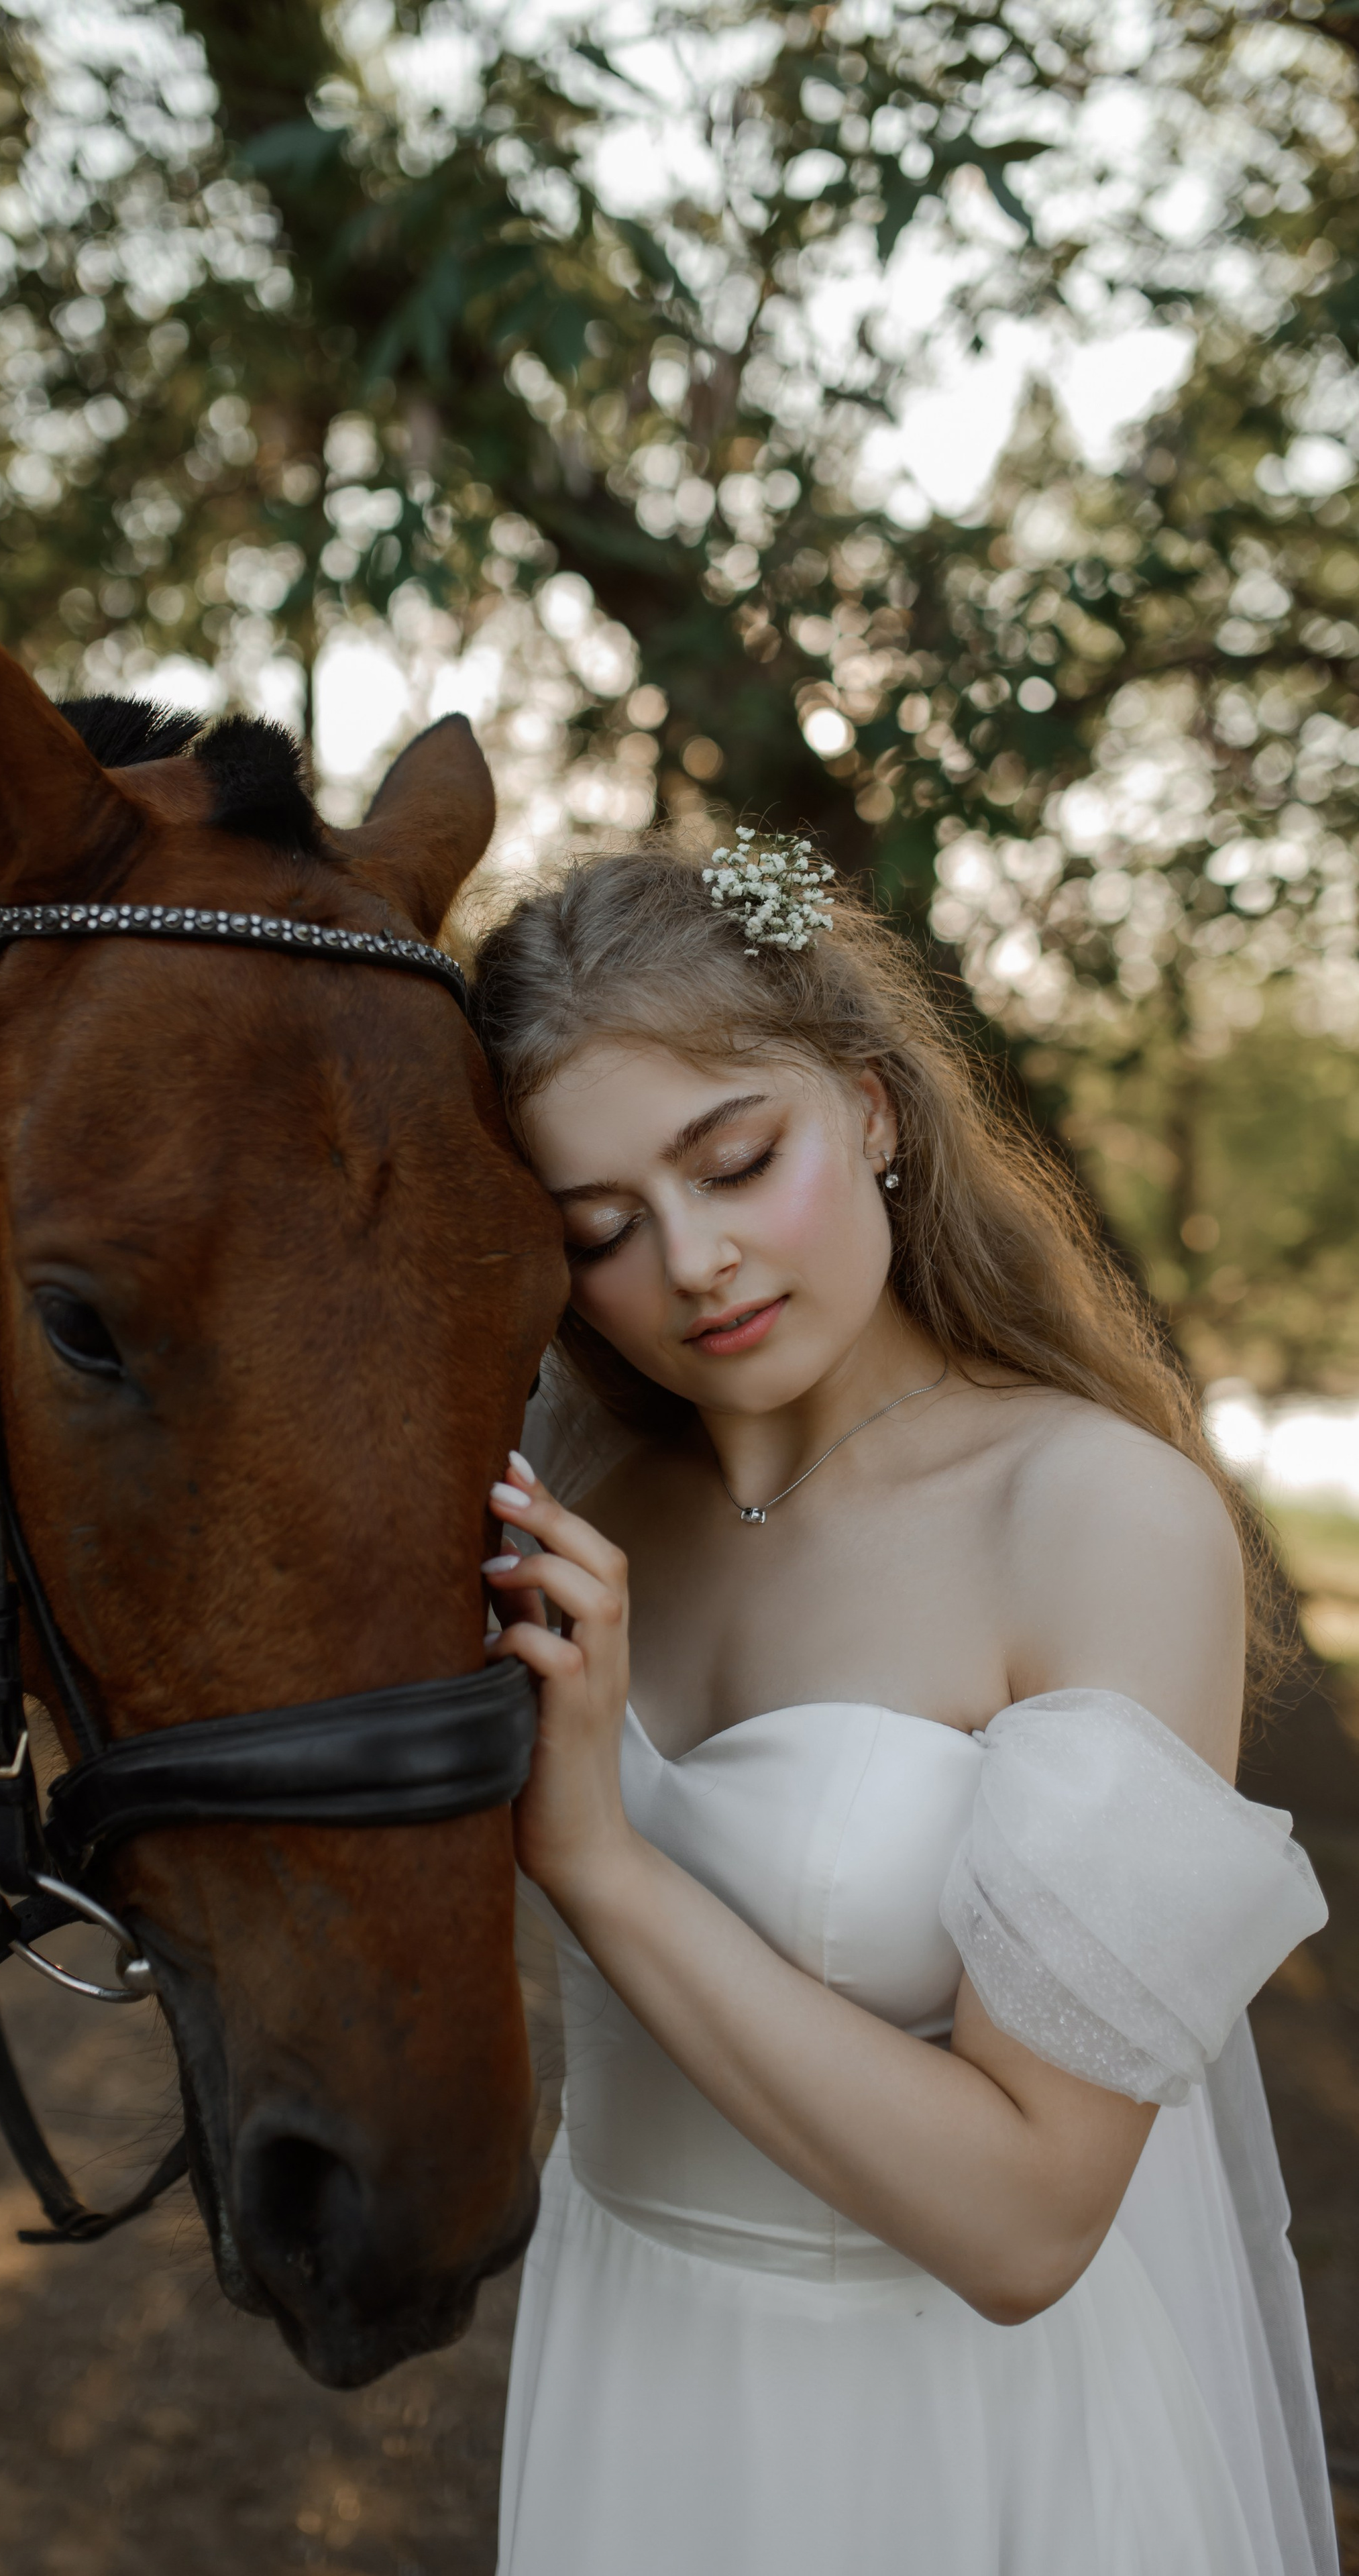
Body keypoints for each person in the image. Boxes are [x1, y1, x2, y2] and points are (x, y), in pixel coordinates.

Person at [468, 835, 1336, 2576]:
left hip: (951, 2436)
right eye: (602, 1229)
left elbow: (1029, 2225)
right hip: (629, 2365)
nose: (695, 1261)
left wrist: (601, 1863)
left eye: (737, 1162)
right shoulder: (567, 1517)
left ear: (871, 1108)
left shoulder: (1093, 1515)